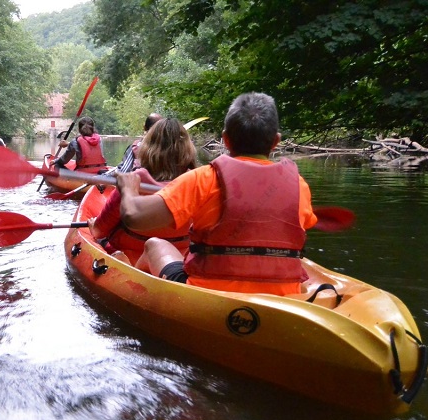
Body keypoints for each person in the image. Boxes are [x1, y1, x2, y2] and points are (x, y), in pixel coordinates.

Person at [116, 92, 317, 295]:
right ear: (276, 141)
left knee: (155, 244)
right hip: (283, 295)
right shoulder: (300, 186)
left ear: (225, 140)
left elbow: (134, 217)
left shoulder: (202, 178)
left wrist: (128, 188)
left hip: (206, 293)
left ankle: (137, 289)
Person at [89, 117, 198, 265]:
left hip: (129, 254)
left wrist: (93, 224)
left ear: (147, 147)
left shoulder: (133, 182)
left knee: (99, 237)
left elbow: (99, 230)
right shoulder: (199, 183)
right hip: (179, 256)